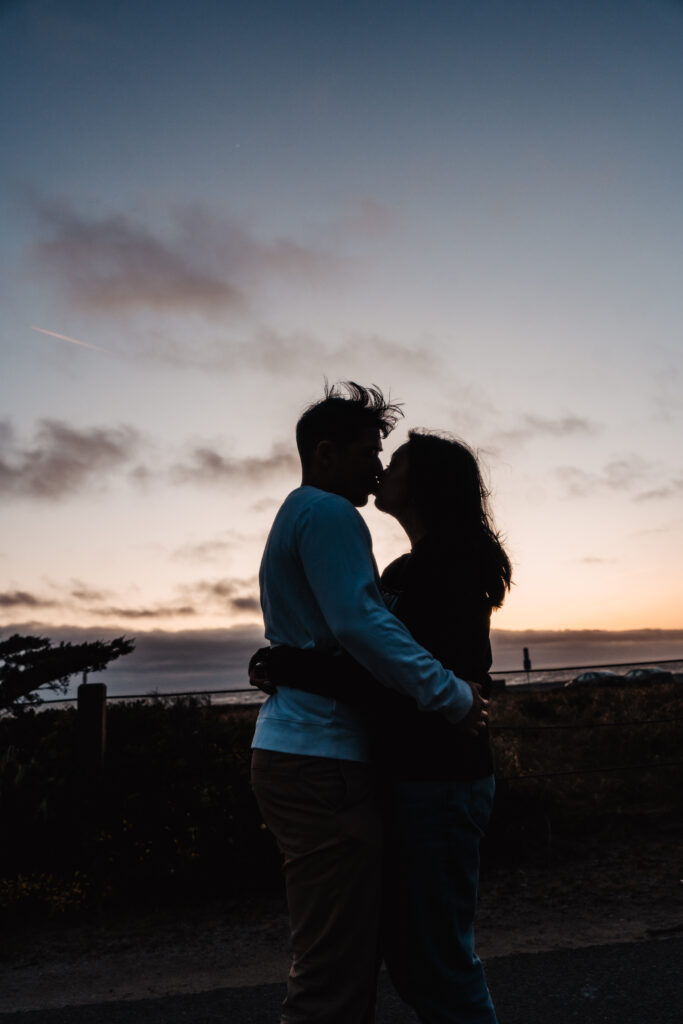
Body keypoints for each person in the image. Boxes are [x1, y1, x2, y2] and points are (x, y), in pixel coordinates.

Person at [249, 383, 488, 1024]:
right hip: (321, 757)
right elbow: (359, 626)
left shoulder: (306, 515)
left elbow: (349, 635)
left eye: (388, 458)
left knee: (359, 961)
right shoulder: (330, 514)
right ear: (325, 454)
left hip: (317, 752)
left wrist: (287, 663)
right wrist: (453, 696)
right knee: (335, 975)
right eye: (366, 453)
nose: (378, 467)